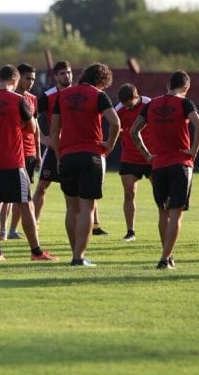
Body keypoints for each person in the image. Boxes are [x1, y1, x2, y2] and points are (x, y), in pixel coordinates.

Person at [0, 64, 57, 262]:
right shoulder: (19, 100)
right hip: (13, 161)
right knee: (26, 205)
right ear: (15, 80)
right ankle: (36, 252)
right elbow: (32, 128)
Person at [131, 70, 199, 270]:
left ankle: (167, 255)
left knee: (163, 212)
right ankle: (165, 258)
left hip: (158, 166)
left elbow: (133, 130)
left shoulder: (151, 104)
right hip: (181, 163)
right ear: (186, 87)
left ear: (168, 85)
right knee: (176, 213)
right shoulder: (185, 103)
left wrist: (146, 155)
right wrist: (193, 151)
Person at [50, 63, 121, 267]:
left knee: (72, 209)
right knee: (87, 208)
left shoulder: (63, 95)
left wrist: (58, 154)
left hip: (67, 156)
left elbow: (54, 130)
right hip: (91, 155)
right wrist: (109, 144)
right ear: (101, 82)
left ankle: (75, 254)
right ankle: (79, 257)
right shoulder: (98, 95)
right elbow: (115, 123)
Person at [2, 63, 40, 240]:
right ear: (18, 79)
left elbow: (35, 127)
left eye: (33, 79)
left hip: (30, 151)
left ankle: (13, 229)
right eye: (27, 78)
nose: (30, 82)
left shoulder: (32, 99)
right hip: (14, 151)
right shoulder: (11, 98)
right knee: (8, 194)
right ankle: (2, 230)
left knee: (23, 194)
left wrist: (38, 151)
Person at [32, 61, 71, 228]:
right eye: (62, 73)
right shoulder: (48, 96)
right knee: (42, 187)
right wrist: (42, 138)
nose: (66, 76)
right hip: (54, 148)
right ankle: (34, 223)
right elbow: (31, 118)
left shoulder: (78, 94)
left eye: (68, 72)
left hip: (73, 149)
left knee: (76, 190)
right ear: (55, 77)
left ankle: (91, 225)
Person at [114, 83, 152, 242]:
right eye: (125, 105)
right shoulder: (119, 109)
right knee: (129, 193)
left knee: (161, 194)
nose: (127, 108)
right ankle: (130, 231)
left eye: (130, 105)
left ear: (136, 97)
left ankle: (167, 225)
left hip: (151, 156)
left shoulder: (149, 105)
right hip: (129, 157)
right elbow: (115, 128)